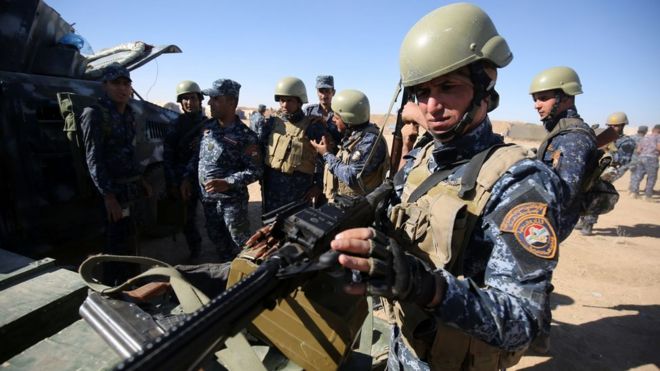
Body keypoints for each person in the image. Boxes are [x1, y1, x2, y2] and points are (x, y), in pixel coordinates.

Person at [330, 4, 568, 370]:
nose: (431, 106)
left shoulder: (519, 181)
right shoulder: (424, 154)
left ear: (484, 90)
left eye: (448, 87)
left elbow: (523, 322)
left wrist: (427, 287)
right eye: (421, 92)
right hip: (403, 347)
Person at [80, 63, 152, 284]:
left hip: (130, 188)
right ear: (105, 86)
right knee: (113, 245)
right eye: (116, 83)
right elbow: (94, 159)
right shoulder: (94, 114)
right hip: (112, 191)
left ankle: (132, 282)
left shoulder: (129, 113)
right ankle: (114, 289)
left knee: (131, 239)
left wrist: (142, 180)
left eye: (126, 83)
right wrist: (109, 197)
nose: (122, 88)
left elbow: (130, 152)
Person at [181, 79, 262, 262]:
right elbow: (198, 157)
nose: (209, 103)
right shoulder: (207, 128)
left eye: (215, 98)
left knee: (241, 245)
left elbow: (255, 171)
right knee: (217, 240)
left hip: (231, 204)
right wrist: (187, 177)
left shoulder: (246, 136)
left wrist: (228, 182)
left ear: (232, 102)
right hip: (209, 201)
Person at [529, 66, 598, 231]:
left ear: (565, 98)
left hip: (550, 223)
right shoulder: (560, 131)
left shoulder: (573, 137)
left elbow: (564, 195)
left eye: (543, 98)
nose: (537, 105)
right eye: (535, 99)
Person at [255, 76, 331, 213]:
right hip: (271, 188)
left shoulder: (312, 126)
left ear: (299, 101)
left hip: (298, 191)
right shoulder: (272, 123)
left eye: (289, 100)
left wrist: (318, 186)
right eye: (282, 100)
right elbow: (261, 149)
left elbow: (324, 158)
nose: (284, 105)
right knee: (269, 229)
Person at [310, 89, 389, 202]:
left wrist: (326, 154)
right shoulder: (355, 134)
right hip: (346, 203)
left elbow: (351, 176)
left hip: (360, 208)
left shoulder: (369, 141)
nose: (333, 120)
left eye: (336, 118)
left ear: (349, 121)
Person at [163, 80, 207, 258]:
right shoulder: (176, 124)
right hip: (184, 180)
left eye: (193, 98)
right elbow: (168, 155)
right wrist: (173, 183)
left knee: (215, 218)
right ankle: (195, 249)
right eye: (185, 99)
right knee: (187, 219)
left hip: (205, 179)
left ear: (199, 100)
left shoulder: (209, 125)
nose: (189, 102)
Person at [578, 112, 635, 235]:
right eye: (610, 126)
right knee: (585, 191)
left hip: (611, 171)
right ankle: (582, 219)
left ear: (623, 126)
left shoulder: (626, 142)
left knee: (597, 195)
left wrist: (609, 150)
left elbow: (622, 160)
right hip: (597, 168)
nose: (612, 128)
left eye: (616, 126)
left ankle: (589, 223)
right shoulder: (606, 137)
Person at [304, 75, 342, 144]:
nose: (324, 96)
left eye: (327, 91)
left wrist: (326, 126)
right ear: (317, 93)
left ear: (333, 92)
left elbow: (343, 137)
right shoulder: (309, 111)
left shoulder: (339, 113)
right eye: (321, 91)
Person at [630, 124, 660, 200]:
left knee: (638, 176)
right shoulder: (658, 137)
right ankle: (648, 195)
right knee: (651, 177)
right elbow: (658, 148)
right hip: (652, 158)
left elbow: (638, 149)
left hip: (641, 157)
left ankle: (634, 192)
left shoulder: (645, 137)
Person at [628, 125, 648, 194]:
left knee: (633, 175)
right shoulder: (645, 139)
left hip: (631, 159)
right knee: (638, 175)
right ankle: (634, 191)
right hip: (640, 160)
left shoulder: (631, 137)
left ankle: (631, 188)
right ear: (645, 131)